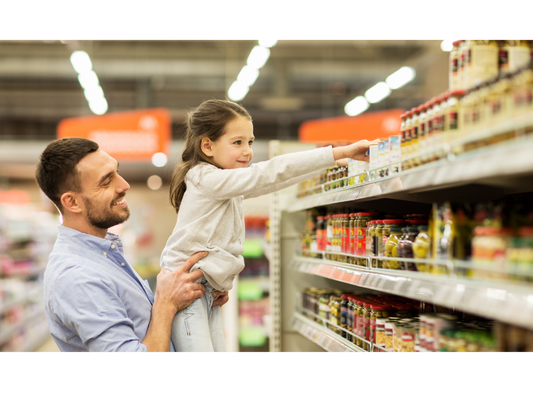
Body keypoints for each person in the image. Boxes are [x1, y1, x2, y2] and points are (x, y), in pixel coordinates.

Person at [162, 99, 376, 355]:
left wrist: (328, 163)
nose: (247, 151)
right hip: (187, 292)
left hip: (207, 292)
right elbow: (269, 173)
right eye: (237, 142)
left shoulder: (224, 184)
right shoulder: (205, 178)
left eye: (250, 142)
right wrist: (339, 152)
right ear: (207, 146)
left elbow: (274, 181)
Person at [36, 137, 228, 355]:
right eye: (106, 181)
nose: (124, 185)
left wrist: (193, 295)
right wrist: (166, 304)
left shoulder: (103, 253)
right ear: (72, 202)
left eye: (117, 171)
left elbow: (142, 326)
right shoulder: (77, 277)